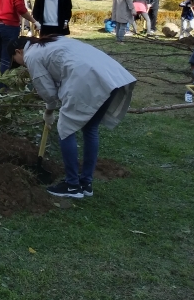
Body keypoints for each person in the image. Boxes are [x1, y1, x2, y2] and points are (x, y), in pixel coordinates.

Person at [8, 35, 135, 199]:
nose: (19, 64)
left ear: (19, 51)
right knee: (90, 128)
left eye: (15, 60)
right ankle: (86, 183)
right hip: (109, 75)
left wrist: (48, 112)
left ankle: (72, 186)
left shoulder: (31, 55)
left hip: (86, 79)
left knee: (65, 129)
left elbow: (48, 93)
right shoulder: (54, 41)